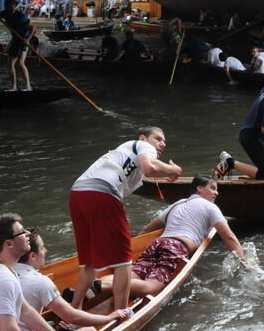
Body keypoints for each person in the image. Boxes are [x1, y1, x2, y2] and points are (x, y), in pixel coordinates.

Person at [68, 128, 182, 313]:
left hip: (78, 194)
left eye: (164, 141)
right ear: (144, 138)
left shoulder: (126, 155)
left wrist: (168, 172)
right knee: (123, 261)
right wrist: (174, 169)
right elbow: (150, 167)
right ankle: (121, 314)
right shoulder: (144, 146)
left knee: (89, 261)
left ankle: (74, 309)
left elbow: (149, 171)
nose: (162, 143)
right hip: (101, 193)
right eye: (158, 139)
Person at [102, 175, 247, 296]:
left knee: (132, 274)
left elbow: (147, 229)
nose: (216, 193)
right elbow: (228, 236)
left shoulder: (178, 203)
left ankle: (96, 284)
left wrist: (130, 251)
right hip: (176, 247)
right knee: (151, 288)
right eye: (213, 188)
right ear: (199, 188)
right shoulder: (210, 206)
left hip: (156, 244)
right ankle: (101, 287)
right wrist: (244, 262)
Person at [15, 231, 127, 331]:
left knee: (52, 325)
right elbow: (72, 317)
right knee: (90, 330)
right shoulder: (39, 281)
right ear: (33, 256)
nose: (45, 250)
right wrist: (108, 318)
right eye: (42, 247)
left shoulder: (3, 272)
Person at [0, 0, 34, 92]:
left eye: (12, 6)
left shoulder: (21, 16)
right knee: (10, 64)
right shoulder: (4, 13)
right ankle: (13, 87)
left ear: (15, 6)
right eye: (8, 6)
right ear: (6, 7)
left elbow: (33, 28)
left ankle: (28, 87)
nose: (10, 8)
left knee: (21, 63)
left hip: (23, 39)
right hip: (15, 39)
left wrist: (27, 40)